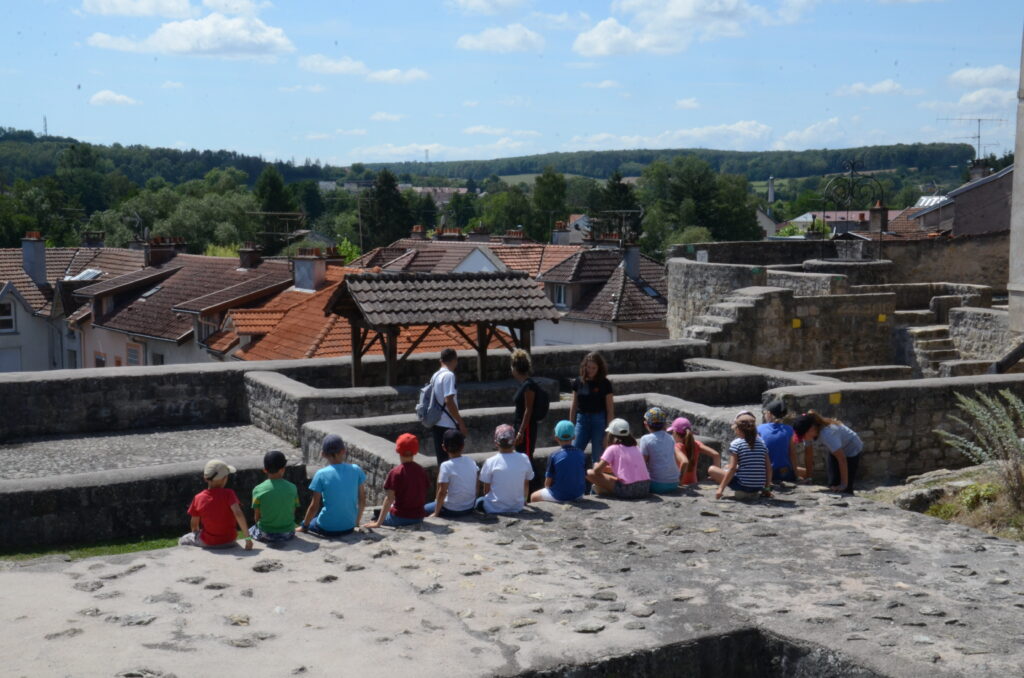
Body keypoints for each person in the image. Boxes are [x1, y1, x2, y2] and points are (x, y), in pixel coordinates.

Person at [298, 434, 366, 537]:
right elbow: (362, 499)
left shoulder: (321, 474)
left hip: (327, 528)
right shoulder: (356, 469)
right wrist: (356, 522)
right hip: (349, 526)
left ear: (323, 454)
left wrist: (304, 526)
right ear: (343, 451)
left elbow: (314, 506)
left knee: (313, 521)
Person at [179, 459, 253, 550]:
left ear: (205, 478)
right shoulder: (229, 494)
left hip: (208, 542)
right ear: (225, 478)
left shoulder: (198, 498)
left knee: (183, 540)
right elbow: (238, 513)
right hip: (229, 541)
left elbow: (194, 526)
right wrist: (247, 538)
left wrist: (196, 534)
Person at [364, 433, 430, 528]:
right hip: (419, 516)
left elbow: (389, 499)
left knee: (375, 516)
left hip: (400, 517)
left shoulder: (396, 472)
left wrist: (377, 523)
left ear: (398, 450)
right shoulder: (421, 471)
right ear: (415, 451)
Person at [792, 411, 863, 494]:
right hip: (836, 449)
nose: (802, 439)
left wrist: (844, 484)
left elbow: (842, 459)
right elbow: (808, 455)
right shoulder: (808, 430)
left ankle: (848, 492)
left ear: (811, 429)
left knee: (845, 489)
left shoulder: (827, 434)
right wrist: (808, 477)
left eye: (803, 436)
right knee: (833, 483)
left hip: (852, 449)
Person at [709, 411, 771, 500]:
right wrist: (767, 488)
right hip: (758, 486)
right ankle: (752, 492)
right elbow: (768, 468)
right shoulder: (762, 443)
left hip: (742, 485)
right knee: (727, 466)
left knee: (712, 469)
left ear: (739, 429)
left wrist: (720, 489)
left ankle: (743, 492)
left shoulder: (736, 444)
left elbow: (732, 468)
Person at [477, 424, 535, 514]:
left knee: (479, 501)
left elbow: (486, 490)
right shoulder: (524, 458)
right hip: (517, 507)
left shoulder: (490, 462)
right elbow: (526, 483)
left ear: (496, 443)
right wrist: (524, 501)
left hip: (494, 508)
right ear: (514, 441)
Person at [587, 418, 650, 499]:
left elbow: (597, 471)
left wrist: (596, 465)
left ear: (611, 434)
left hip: (628, 490)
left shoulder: (612, 448)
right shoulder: (636, 447)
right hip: (645, 488)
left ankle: (603, 491)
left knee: (589, 473)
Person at [570, 352, 614, 464]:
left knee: (597, 458)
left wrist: (608, 433)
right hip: (582, 420)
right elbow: (574, 405)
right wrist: (571, 425)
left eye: (594, 368)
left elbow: (610, 410)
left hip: (598, 421)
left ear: (599, 368)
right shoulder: (578, 381)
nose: (590, 370)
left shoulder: (605, 383)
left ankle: (597, 481)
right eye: (588, 367)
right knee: (574, 453)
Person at [530, 420, 586, 504]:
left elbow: (547, 483)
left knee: (533, 496)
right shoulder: (581, 454)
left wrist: (548, 488)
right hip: (578, 494)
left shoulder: (554, 455)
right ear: (574, 437)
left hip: (560, 496)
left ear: (556, 438)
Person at [429, 348, 468, 466]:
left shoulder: (435, 375)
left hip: (436, 423)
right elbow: (449, 401)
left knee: (442, 464)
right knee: (453, 464)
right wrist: (460, 422)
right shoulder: (449, 375)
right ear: (454, 360)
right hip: (448, 425)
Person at [249, 450, 299, 544]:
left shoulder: (257, 489)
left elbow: (257, 516)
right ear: (283, 469)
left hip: (266, 533)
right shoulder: (293, 488)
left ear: (265, 470)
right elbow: (292, 511)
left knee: (250, 530)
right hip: (288, 532)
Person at [426, 430, 478, 518]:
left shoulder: (446, 466)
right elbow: (477, 485)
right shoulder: (471, 462)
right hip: (469, 507)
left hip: (452, 510)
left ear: (443, 447)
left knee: (424, 509)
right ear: (463, 446)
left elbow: (442, 492)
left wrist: (436, 513)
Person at [757, 400, 805, 484]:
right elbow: (792, 454)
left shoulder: (760, 428)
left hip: (767, 474)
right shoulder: (789, 429)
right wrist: (797, 476)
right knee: (805, 471)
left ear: (769, 414)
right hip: (785, 473)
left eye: (764, 413)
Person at [668, 417, 721, 485]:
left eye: (672, 432)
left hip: (682, 484)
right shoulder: (696, 444)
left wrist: (679, 482)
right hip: (693, 482)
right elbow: (716, 455)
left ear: (675, 433)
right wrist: (715, 475)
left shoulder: (677, 447)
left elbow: (684, 462)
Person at [639, 407, 680, 494]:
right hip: (674, 483)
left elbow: (642, 463)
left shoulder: (645, 439)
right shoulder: (671, 438)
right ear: (664, 424)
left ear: (646, 424)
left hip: (656, 485)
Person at [511, 348, 543, 458]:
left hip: (527, 429)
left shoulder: (528, 386)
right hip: (522, 427)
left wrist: (521, 431)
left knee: (526, 458)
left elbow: (528, 410)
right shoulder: (524, 384)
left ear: (515, 368)